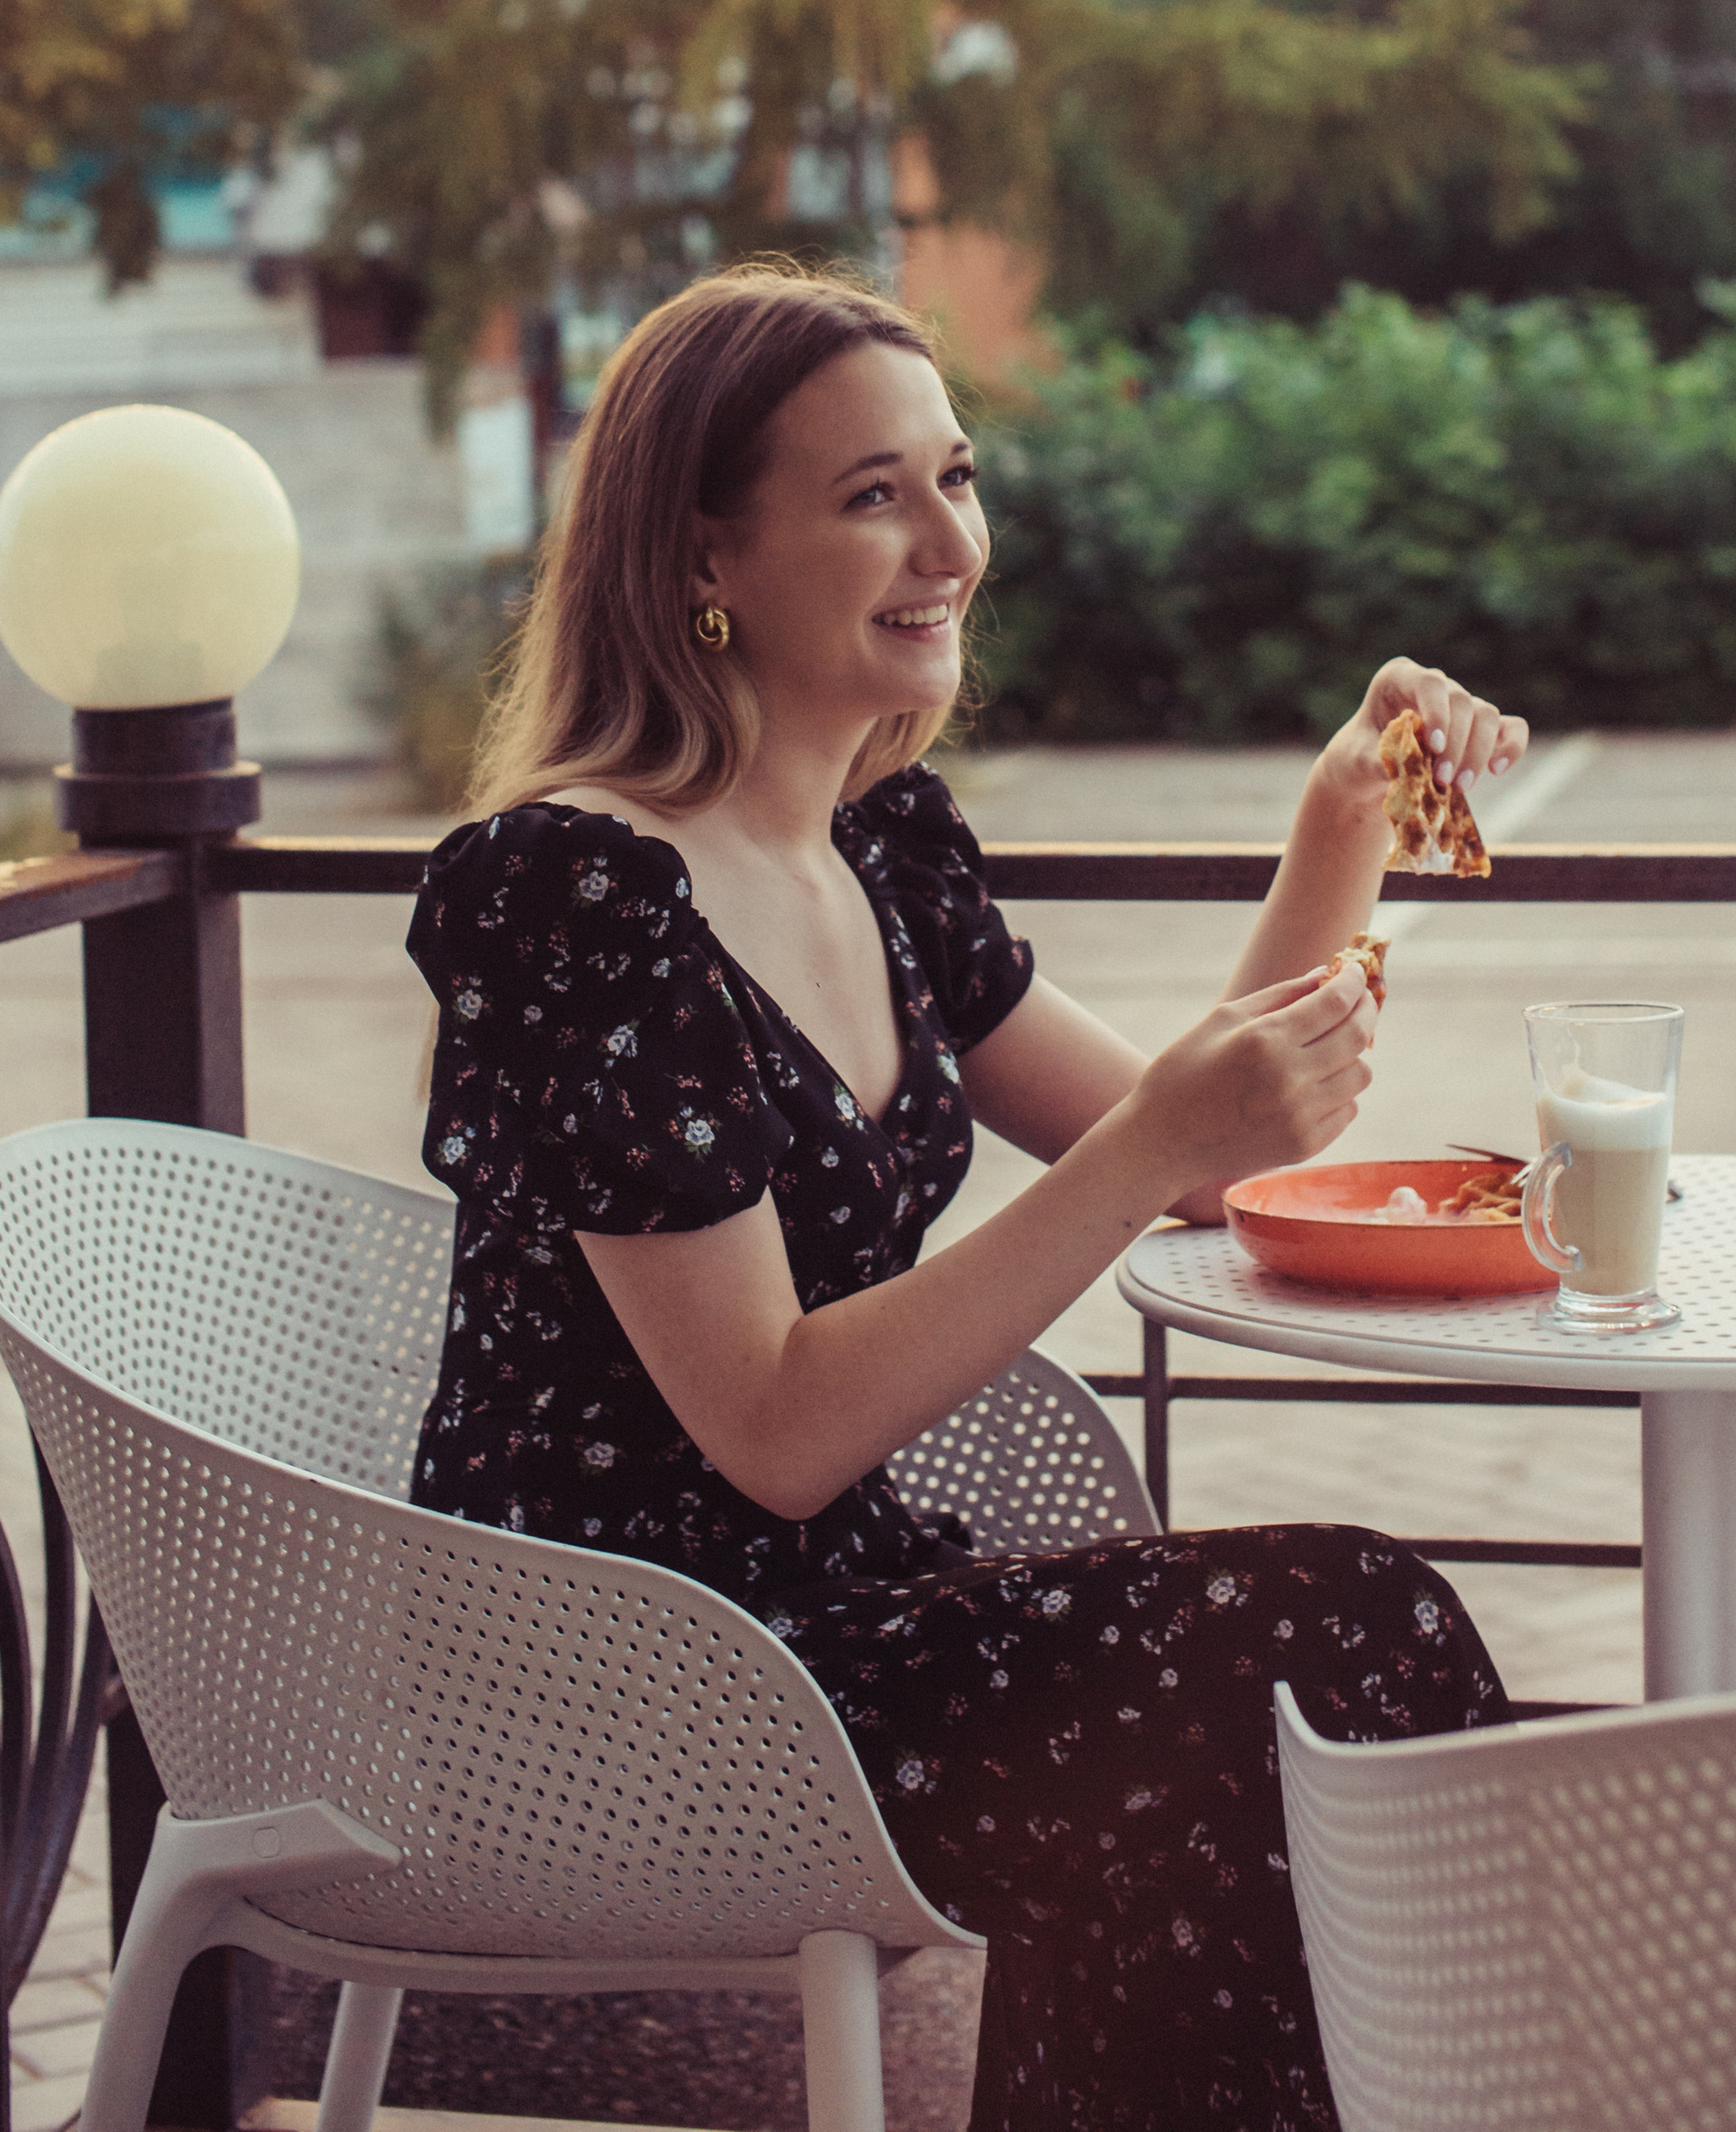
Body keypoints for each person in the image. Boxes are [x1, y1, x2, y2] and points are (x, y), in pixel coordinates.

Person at [407, 261, 1529, 2129]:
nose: (948, 542)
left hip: (837, 1620)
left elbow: (1200, 1148)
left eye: (957, 476)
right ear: (704, 554)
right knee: (1323, 1636)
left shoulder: (878, 853)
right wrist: (1160, 1145)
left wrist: (1341, 823)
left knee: (1303, 1682)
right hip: (622, 1683)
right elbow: (769, 1425)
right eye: (870, 497)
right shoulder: (574, 894)